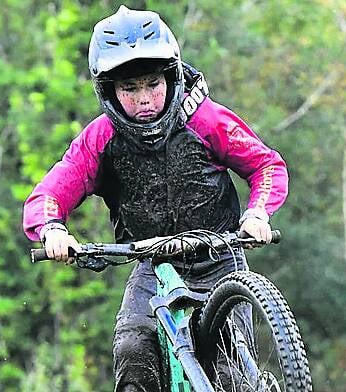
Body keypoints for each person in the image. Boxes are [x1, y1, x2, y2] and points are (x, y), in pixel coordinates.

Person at [22, 5, 288, 391]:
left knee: (230, 373)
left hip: (221, 260)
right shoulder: (100, 139)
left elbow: (266, 165)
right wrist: (51, 229)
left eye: (152, 83)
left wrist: (258, 213)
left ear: (172, 77)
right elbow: (50, 192)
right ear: (109, 91)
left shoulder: (207, 120)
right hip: (154, 266)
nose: (144, 98)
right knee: (132, 350)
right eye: (129, 88)